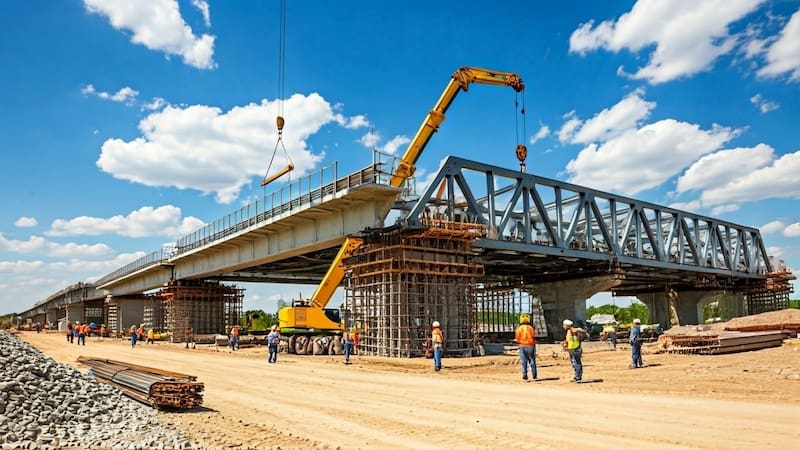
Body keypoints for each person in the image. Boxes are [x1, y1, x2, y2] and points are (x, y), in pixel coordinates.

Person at [515, 314, 537, 381]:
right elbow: (533, 335)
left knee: (524, 361)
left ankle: (525, 374)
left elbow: (517, 338)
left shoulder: (519, 328)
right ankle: (534, 375)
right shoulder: (531, 328)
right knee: (532, 360)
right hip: (531, 345)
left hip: (522, 346)